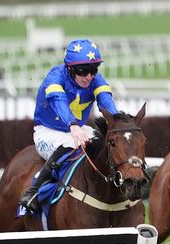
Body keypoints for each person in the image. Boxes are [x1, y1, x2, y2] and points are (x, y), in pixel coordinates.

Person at [19, 39, 120, 213]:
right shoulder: (54, 78)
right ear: (70, 68)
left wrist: (118, 121)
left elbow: (106, 101)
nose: (89, 76)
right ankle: (33, 193)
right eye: (83, 71)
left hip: (77, 129)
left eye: (93, 69)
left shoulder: (95, 80)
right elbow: (59, 103)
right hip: (48, 132)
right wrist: (72, 125)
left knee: (107, 144)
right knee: (70, 144)